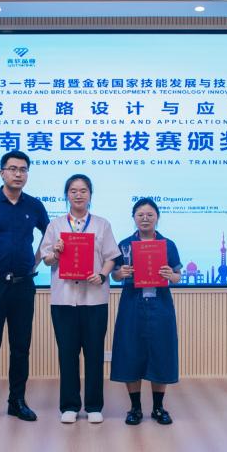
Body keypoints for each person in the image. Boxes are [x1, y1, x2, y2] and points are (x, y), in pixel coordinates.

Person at [0, 150, 50, 426]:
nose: (18, 174)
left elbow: (49, 236)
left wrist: (35, 261)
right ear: (2, 172)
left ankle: (17, 401)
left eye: (23, 169)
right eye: (13, 169)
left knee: (21, 347)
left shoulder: (34, 206)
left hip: (23, 285)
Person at [39, 174, 119, 424]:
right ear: (67, 195)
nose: (78, 195)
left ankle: (94, 405)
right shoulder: (55, 225)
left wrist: (102, 275)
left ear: (90, 195)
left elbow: (111, 257)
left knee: (94, 353)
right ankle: (70, 405)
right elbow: (46, 259)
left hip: (94, 299)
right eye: (73, 191)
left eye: (83, 190)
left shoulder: (102, 225)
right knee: (67, 353)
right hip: (63, 300)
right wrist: (55, 252)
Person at [110, 198, 182, 426]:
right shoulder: (124, 244)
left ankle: (158, 408)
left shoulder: (168, 245)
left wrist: (171, 275)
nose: (145, 218)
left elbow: (178, 276)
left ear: (157, 217)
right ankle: (135, 408)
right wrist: (120, 273)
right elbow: (114, 275)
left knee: (161, 351)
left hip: (161, 304)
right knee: (131, 351)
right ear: (133, 218)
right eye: (140, 214)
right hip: (132, 303)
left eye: (150, 214)